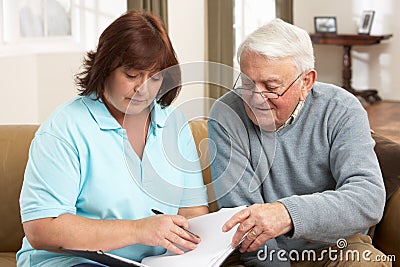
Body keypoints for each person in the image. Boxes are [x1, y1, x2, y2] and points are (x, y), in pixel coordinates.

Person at [17, 10, 208, 267]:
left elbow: (192, 212)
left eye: (155, 78)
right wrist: (138, 230)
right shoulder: (65, 128)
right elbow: (42, 228)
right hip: (72, 262)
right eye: (131, 75)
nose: (143, 89)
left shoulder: (173, 123)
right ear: (105, 68)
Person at [209, 19, 389, 266]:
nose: (256, 99)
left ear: (306, 82)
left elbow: (367, 199)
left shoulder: (341, 109)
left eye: (271, 87)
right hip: (260, 255)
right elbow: (245, 225)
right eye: (247, 84)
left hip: (334, 246)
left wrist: (288, 214)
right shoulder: (226, 114)